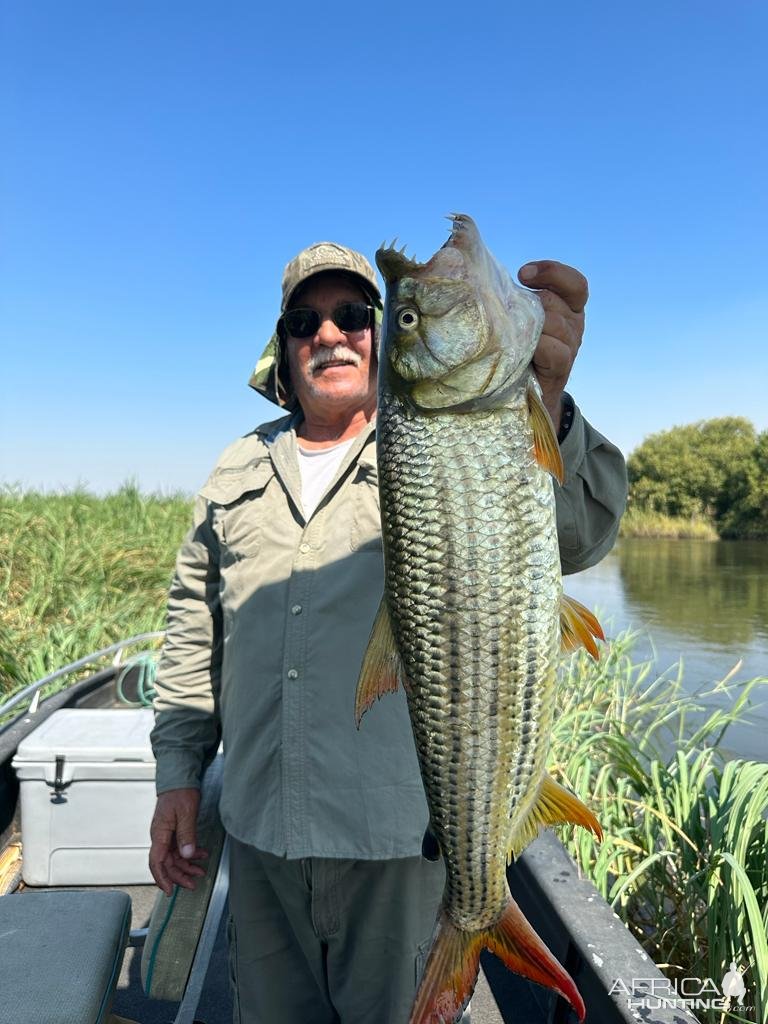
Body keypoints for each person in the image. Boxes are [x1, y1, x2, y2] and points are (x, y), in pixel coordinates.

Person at [149, 240, 628, 1023]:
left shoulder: (443, 435)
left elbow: (582, 534)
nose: (330, 334)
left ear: (379, 335)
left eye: (354, 315)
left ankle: (475, 920)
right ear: (284, 341)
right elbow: (191, 628)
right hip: (259, 833)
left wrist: (550, 396)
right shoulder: (236, 467)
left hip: (396, 840)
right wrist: (177, 773)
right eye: (306, 319)